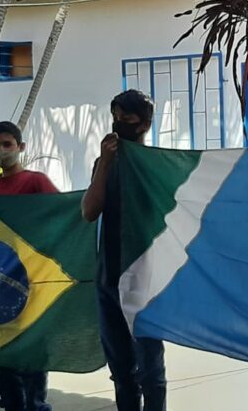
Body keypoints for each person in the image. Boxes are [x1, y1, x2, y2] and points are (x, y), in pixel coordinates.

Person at [81, 90, 167, 411]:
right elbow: (89, 211)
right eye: (115, 117)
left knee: (151, 372)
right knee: (122, 374)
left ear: (145, 124)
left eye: (126, 120)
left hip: (146, 280)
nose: (118, 125)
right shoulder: (103, 164)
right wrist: (105, 164)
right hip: (108, 278)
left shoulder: (158, 164)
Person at [0, 121, 59, 411]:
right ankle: (11, 403)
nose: (1, 150)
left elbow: (62, 215)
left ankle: (36, 403)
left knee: (33, 346)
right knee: (5, 349)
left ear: (20, 147)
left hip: (33, 280)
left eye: (7, 144)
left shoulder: (37, 182)